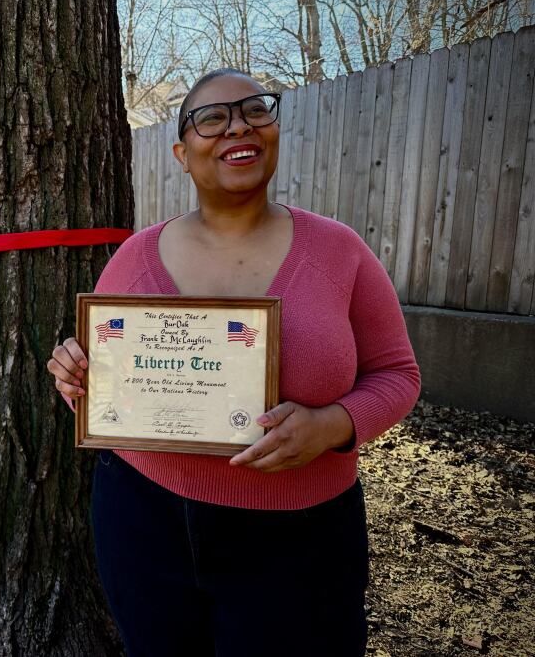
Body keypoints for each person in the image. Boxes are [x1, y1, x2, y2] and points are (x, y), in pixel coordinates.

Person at [46, 68, 420, 657]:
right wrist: (76, 376)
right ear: (182, 152)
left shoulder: (339, 251)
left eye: (255, 111)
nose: (237, 127)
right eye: (212, 118)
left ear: (272, 130)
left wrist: (332, 427)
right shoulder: (134, 258)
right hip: (143, 519)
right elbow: (102, 380)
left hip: (301, 534)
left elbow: (399, 376)